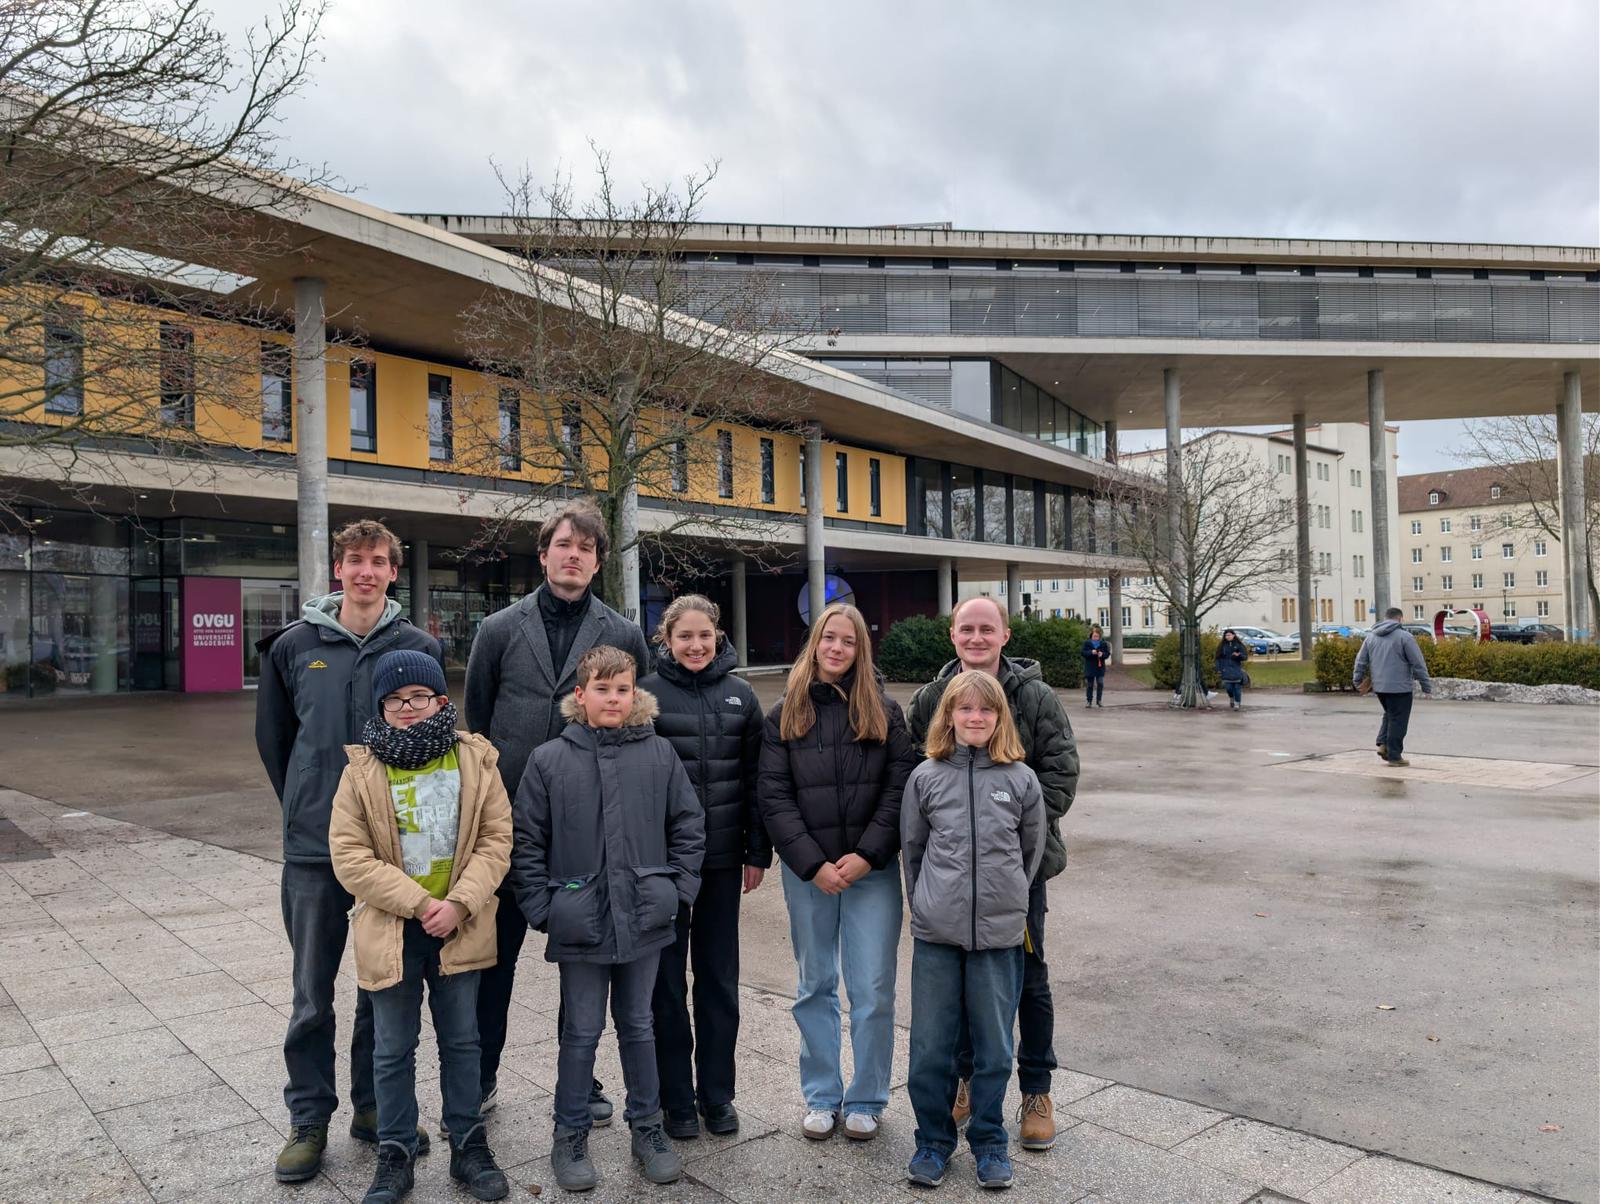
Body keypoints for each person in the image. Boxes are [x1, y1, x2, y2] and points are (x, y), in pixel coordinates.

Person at [256, 519, 443, 1183]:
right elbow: (277, 745)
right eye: (355, 560)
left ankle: (373, 1107)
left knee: (380, 985)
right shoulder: (292, 648)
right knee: (312, 994)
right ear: (338, 569)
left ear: (394, 571)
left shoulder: (417, 646)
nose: (366, 571)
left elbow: (433, 741)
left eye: (378, 561)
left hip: (390, 853)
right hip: (312, 849)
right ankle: (308, 1120)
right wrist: (310, 803)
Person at [464, 501, 649, 1125]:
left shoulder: (623, 634)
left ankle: (583, 1079)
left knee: (583, 961)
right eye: (563, 545)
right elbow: (479, 721)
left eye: (587, 548)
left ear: (598, 562)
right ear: (543, 554)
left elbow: (631, 720)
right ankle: (482, 1075)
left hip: (588, 829)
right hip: (507, 829)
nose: (574, 555)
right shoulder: (497, 630)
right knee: (496, 960)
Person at [511, 646, 706, 1192]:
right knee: (581, 1030)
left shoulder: (659, 754)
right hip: (581, 919)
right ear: (581, 695)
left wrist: (677, 890)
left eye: (622, 689)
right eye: (602, 689)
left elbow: (688, 826)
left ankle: (647, 1126)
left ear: (634, 694)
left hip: (645, 914)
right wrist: (543, 908)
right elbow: (526, 840)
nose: (613, 699)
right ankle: (569, 1133)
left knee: (639, 1026)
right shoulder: (549, 760)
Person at [328, 651, 513, 1204]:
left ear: (440, 701)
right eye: (394, 700)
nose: (407, 709)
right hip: (394, 927)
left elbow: (496, 839)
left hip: (460, 923)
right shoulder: (360, 771)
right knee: (392, 1048)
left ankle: (468, 1144)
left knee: (462, 1041)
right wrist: (418, 902)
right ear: (382, 708)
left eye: (418, 697)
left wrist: (457, 903)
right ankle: (396, 1150)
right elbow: (349, 855)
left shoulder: (476, 761)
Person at [907, 595, 1079, 1153]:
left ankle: (1036, 1090)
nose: (976, 638)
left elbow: (1059, 774)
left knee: (1028, 978)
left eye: (987, 628)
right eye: (966, 629)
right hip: (952, 876)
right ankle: (962, 1082)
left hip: (1016, 875)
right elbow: (915, 775)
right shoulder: (933, 698)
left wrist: (1007, 843)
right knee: (955, 985)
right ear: (952, 636)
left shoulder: (1035, 696)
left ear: (1005, 634)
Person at [757, 602, 917, 1143]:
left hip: (870, 871)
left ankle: (868, 1099)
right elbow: (774, 798)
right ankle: (822, 1095)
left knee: (872, 988)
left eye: (848, 641)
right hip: (809, 875)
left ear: (859, 649)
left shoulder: (886, 713)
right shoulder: (783, 714)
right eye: (830, 638)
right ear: (815, 642)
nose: (837, 648)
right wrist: (811, 863)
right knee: (815, 983)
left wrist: (869, 854)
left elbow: (900, 791)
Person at [902, 671, 1045, 1191]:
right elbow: (912, 853)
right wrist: (928, 905)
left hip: (999, 936)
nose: (976, 717)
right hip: (937, 934)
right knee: (931, 1048)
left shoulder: (1021, 780)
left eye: (986, 710)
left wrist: (1006, 902)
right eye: (965, 709)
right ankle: (933, 1141)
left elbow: (1030, 855)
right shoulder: (926, 777)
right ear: (950, 716)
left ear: (999, 716)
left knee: (992, 1049)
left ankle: (988, 1142)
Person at [638, 596, 770, 1140]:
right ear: (665, 639)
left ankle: (717, 1094)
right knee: (665, 986)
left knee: (718, 982)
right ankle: (676, 1101)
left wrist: (757, 852)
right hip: (664, 867)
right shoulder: (645, 695)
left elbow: (760, 780)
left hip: (720, 865)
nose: (695, 645)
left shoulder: (741, 695)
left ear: (719, 636)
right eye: (683, 636)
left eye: (705, 636)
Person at [1354, 608, 1433, 767]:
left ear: (1385, 618)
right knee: (1399, 720)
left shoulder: (1371, 637)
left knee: (1390, 714)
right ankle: (1395, 756)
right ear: (1400, 619)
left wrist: (1357, 681)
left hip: (1380, 687)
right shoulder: (1405, 637)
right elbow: (1418, 663)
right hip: (1400, 687)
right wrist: (1426, 686)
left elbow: (1360, 661)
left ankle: (1383, 744)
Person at [1215, 630, 1250, 711]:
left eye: (1229, 635)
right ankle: (1231, 697)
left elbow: (1245, 657)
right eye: (1226, 635)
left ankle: (1237, 703)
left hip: (1236, 670)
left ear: (1234, 635)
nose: (1228, 637)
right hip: (1225, 670)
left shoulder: (1239, 645)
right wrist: (1218, 668)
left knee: (1237, 689)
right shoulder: (1222, 646)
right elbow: (1217, 658)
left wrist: (1239, 655)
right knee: (1228, 688)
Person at [1081, 625, 1110, 708]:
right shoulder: (1087, 643)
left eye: (1097, 636)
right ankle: (1089, 701)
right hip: (1090, 667)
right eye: (1094, 636)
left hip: (1099, 667)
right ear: (1091, 636)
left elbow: (1107, 654)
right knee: (1090, 685)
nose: (1095, 637)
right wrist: (1091, 652)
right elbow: (1083, 653)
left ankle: (1099, 701)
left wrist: (1102, 654)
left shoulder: (1103, 644)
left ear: (1099, 636)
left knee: (1100, 683)